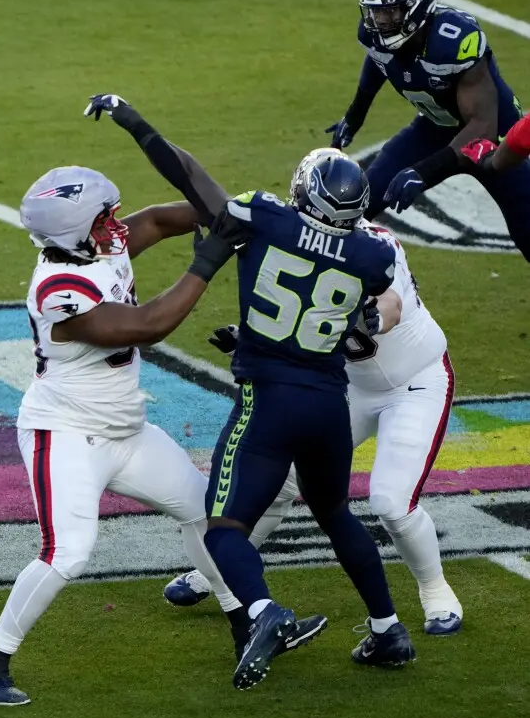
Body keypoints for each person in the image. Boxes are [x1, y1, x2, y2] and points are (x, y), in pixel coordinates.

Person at [87, 94, 415, 688]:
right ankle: (388, 628)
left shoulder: (263, 216)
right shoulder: (373, 256)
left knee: (224, 529)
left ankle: (265, 612)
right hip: (327, 404)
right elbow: (356, 306)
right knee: (335, 512)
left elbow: (189, 176)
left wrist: (134, 121)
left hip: (268, 401)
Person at [0, 165, 257, 706]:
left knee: (205, 514)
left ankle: (246, 624)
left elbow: (159, 220)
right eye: (104, 219)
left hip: (125, 428)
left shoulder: (96, 246)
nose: (116, 227)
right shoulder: (58, 288)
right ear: (73, 232)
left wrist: (233, 214)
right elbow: (147, 326)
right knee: (67, 553)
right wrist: (210, 258)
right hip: (67, 432)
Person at [163, 222, 462, 635]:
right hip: (347, 386)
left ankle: (435, 590)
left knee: (391, 502)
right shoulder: (298, 241)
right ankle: (220, 572)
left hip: (416, 382)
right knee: (280, 479)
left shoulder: (375, 245)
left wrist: (374, 318)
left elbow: (390, 303)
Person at [323, 0, 530, 261]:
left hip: (491, 140)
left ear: (416, 8)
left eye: (389, 12)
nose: (379, 22)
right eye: (375, 12)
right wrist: (355, 115)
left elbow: (481, 127)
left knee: (528, 229)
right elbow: (379, 61)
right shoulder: (376, 35)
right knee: (362, 200)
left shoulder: (453, 41)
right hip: (436, 126)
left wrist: (423, 172)